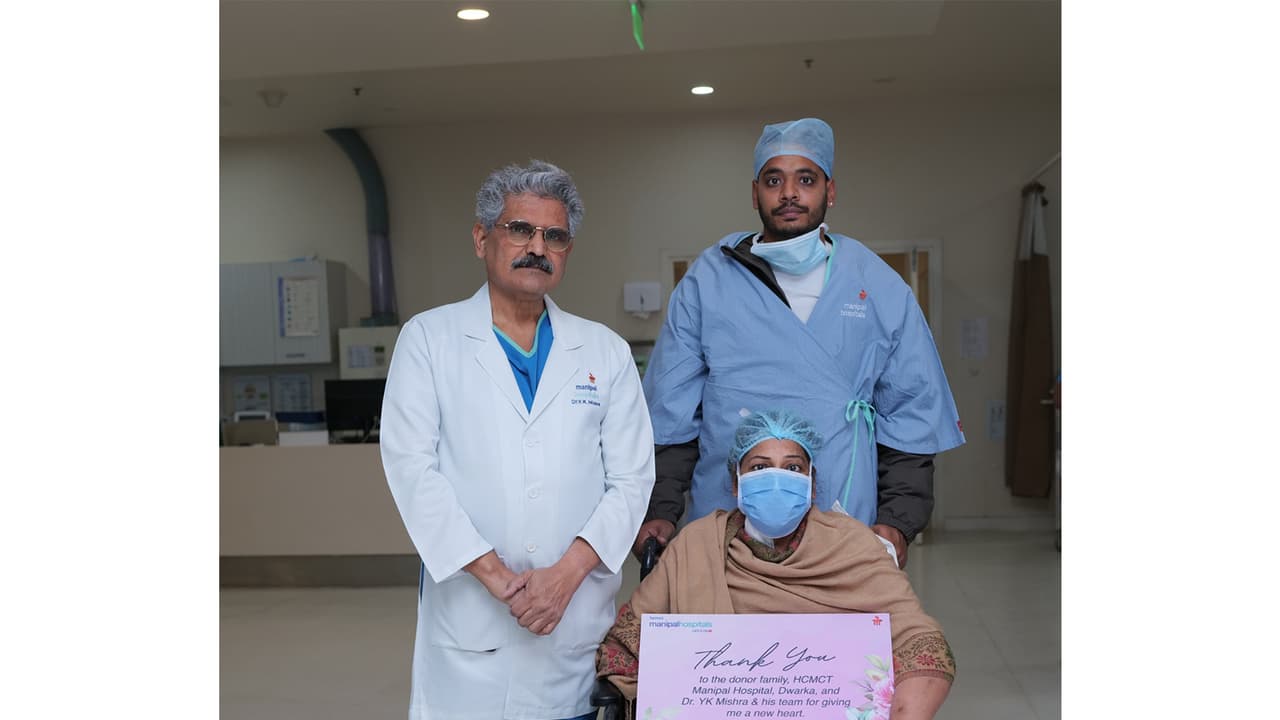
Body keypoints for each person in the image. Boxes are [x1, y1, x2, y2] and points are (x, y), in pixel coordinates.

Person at [381, 160, 656, 720]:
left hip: (573, 620)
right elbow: (413, 471)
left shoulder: (604, 351)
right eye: (520, 229)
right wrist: (499, 578)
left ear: (567, 251)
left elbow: (631, 480)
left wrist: (563, 577)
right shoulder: (429, 340)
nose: (538, 246)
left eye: (554, 236)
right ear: (482, 238)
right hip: (473, 624)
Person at [635, 117, 964, 568]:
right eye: (774, 180)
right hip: (725, 520)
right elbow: (672, 416)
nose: (789, 193)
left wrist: (898, 521)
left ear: (829, 190)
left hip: (843, 517)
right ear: (755, 194)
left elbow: (910, 417)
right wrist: (662, 509)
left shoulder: (876, 285)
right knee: (730, 636)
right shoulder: (708, 281)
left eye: (805, 179)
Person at [599, 410, 955, 720]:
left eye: (793, 468)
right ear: (736, 484)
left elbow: (919, 641)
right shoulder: (696, 545)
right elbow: (628, 643)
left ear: (812, 485)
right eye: (759, 467)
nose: (776, 479)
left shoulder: (854, 545)